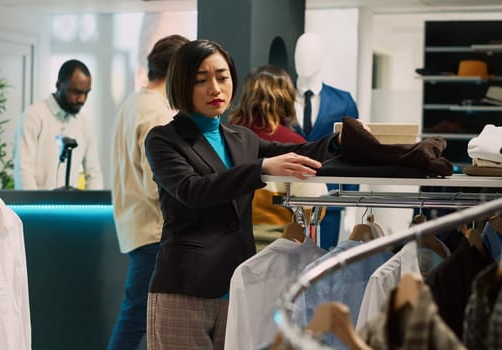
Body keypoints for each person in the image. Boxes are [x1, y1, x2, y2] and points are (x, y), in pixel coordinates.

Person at [144, 39, 342, 349]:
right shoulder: (163, 139)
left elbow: (297, 150)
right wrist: (261, 168)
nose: (215, 88)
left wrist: (338, 143)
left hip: (237, 286)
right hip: (184, 289)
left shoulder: (242, 138)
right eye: (201, 80)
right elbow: (192, 190)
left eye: (222, 77)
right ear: (182, 84)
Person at [108, 34, 189, 350]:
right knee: (137, 319)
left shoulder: (134, 103)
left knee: (140, 318)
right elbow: (158, 184)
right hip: (155, 230)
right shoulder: (157, 113)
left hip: (140, 228)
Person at [229, 65, 327, 251]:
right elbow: (314, 206)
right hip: (274, 248)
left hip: (225, 246)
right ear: (287, 98)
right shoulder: (292, 145)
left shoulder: (224, 137)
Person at [292, 32, 360, 250]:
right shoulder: (280, 98)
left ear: (322, 57)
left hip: (329, 201)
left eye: (311, 54)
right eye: (299, 53)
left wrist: (351, 205)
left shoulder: (343, 101)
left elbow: (356, 155)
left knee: (322, 264)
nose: (304, 60)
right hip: (287, 200)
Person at [14, 59, 103, 190]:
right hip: (37, 208)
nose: (82, 99)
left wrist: (94, 208)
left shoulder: (85, 123)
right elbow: (24, 172)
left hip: (71, 209)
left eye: (86, 93)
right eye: (76, 92)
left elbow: (93, 174)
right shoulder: (33, 116)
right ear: (58, 85)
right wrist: (35, 210)